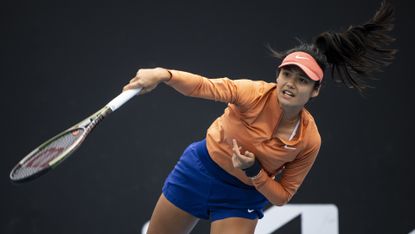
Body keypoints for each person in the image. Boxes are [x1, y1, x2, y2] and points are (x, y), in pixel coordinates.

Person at [123, 1, 396, 233]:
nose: (290, 83)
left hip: (241, 197)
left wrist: (254, 171)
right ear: (277, 75)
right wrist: (163, 74)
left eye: (302, 80)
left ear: (315, 91)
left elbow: (282, 195)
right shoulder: (252, 92)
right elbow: (204, 85)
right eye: (286, 74)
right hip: (198, 171)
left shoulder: (309, 139)